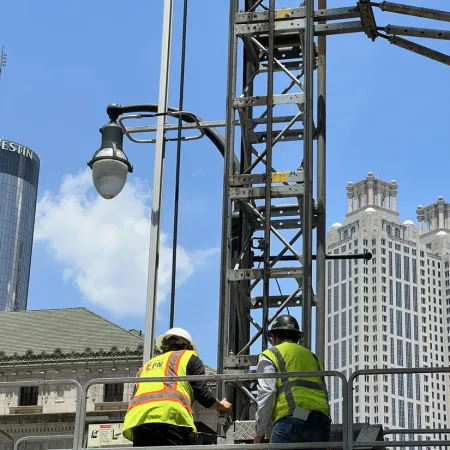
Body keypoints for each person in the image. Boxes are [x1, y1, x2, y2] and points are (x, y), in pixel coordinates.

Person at [122, 328, 232, 446]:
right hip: (170, 418)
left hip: (139, 421)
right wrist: (221, 406)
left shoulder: (146, 366)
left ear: (164, 346)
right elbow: (203, 394)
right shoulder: (189, 358)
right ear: (187, 347)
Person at [254, 315, 331, 444]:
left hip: (296, 415)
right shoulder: (314, 358)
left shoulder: (271, 354)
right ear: (296, 337)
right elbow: (324, 393)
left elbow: (267, 392)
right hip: (320, 421)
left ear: (275, 336)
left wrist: (259, 433)